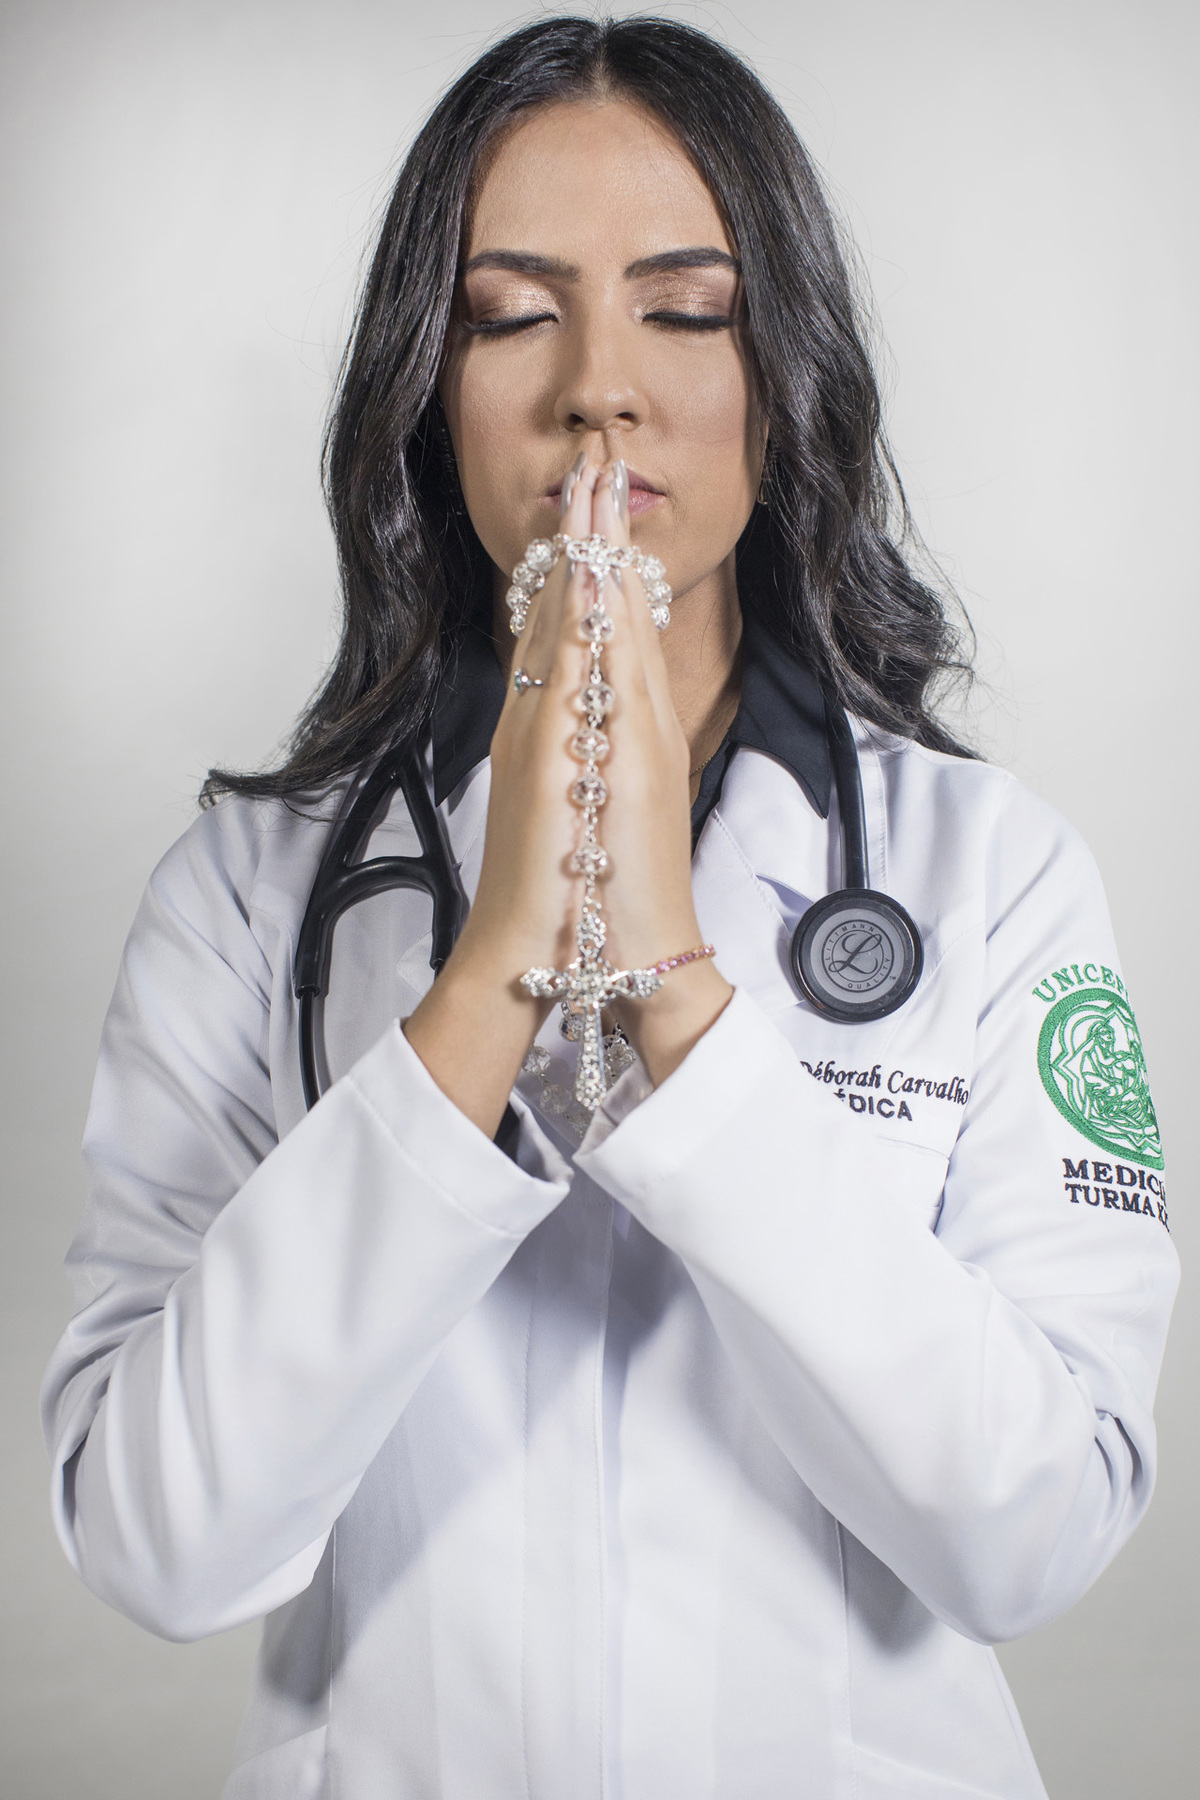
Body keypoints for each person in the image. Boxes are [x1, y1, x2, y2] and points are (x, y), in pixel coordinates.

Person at [41, 16, 1178, 1800]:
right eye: (511, 314)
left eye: (686, 310)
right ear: (428, 381)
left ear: (785, 370)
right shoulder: (253, 896)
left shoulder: (994, 873)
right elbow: (158, 1547)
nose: (598, 389)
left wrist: (675, 989)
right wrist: (492, 969)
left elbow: (1033, 1536)